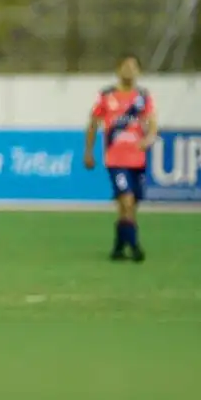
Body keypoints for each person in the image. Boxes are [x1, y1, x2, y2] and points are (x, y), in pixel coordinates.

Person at [83, 54, 158, 262]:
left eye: (133, 67)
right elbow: (93, 123)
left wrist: (149, 138)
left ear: (139, 72)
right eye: (125, 66)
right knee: (126, 200)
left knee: (131, 206)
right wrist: (88, 151)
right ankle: (134, 246)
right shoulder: (107, 95)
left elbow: (152, 123)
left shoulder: (143, 97)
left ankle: (118, 246)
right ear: (118, 70)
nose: (129, 70)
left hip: (138, 159)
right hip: (116, 160)